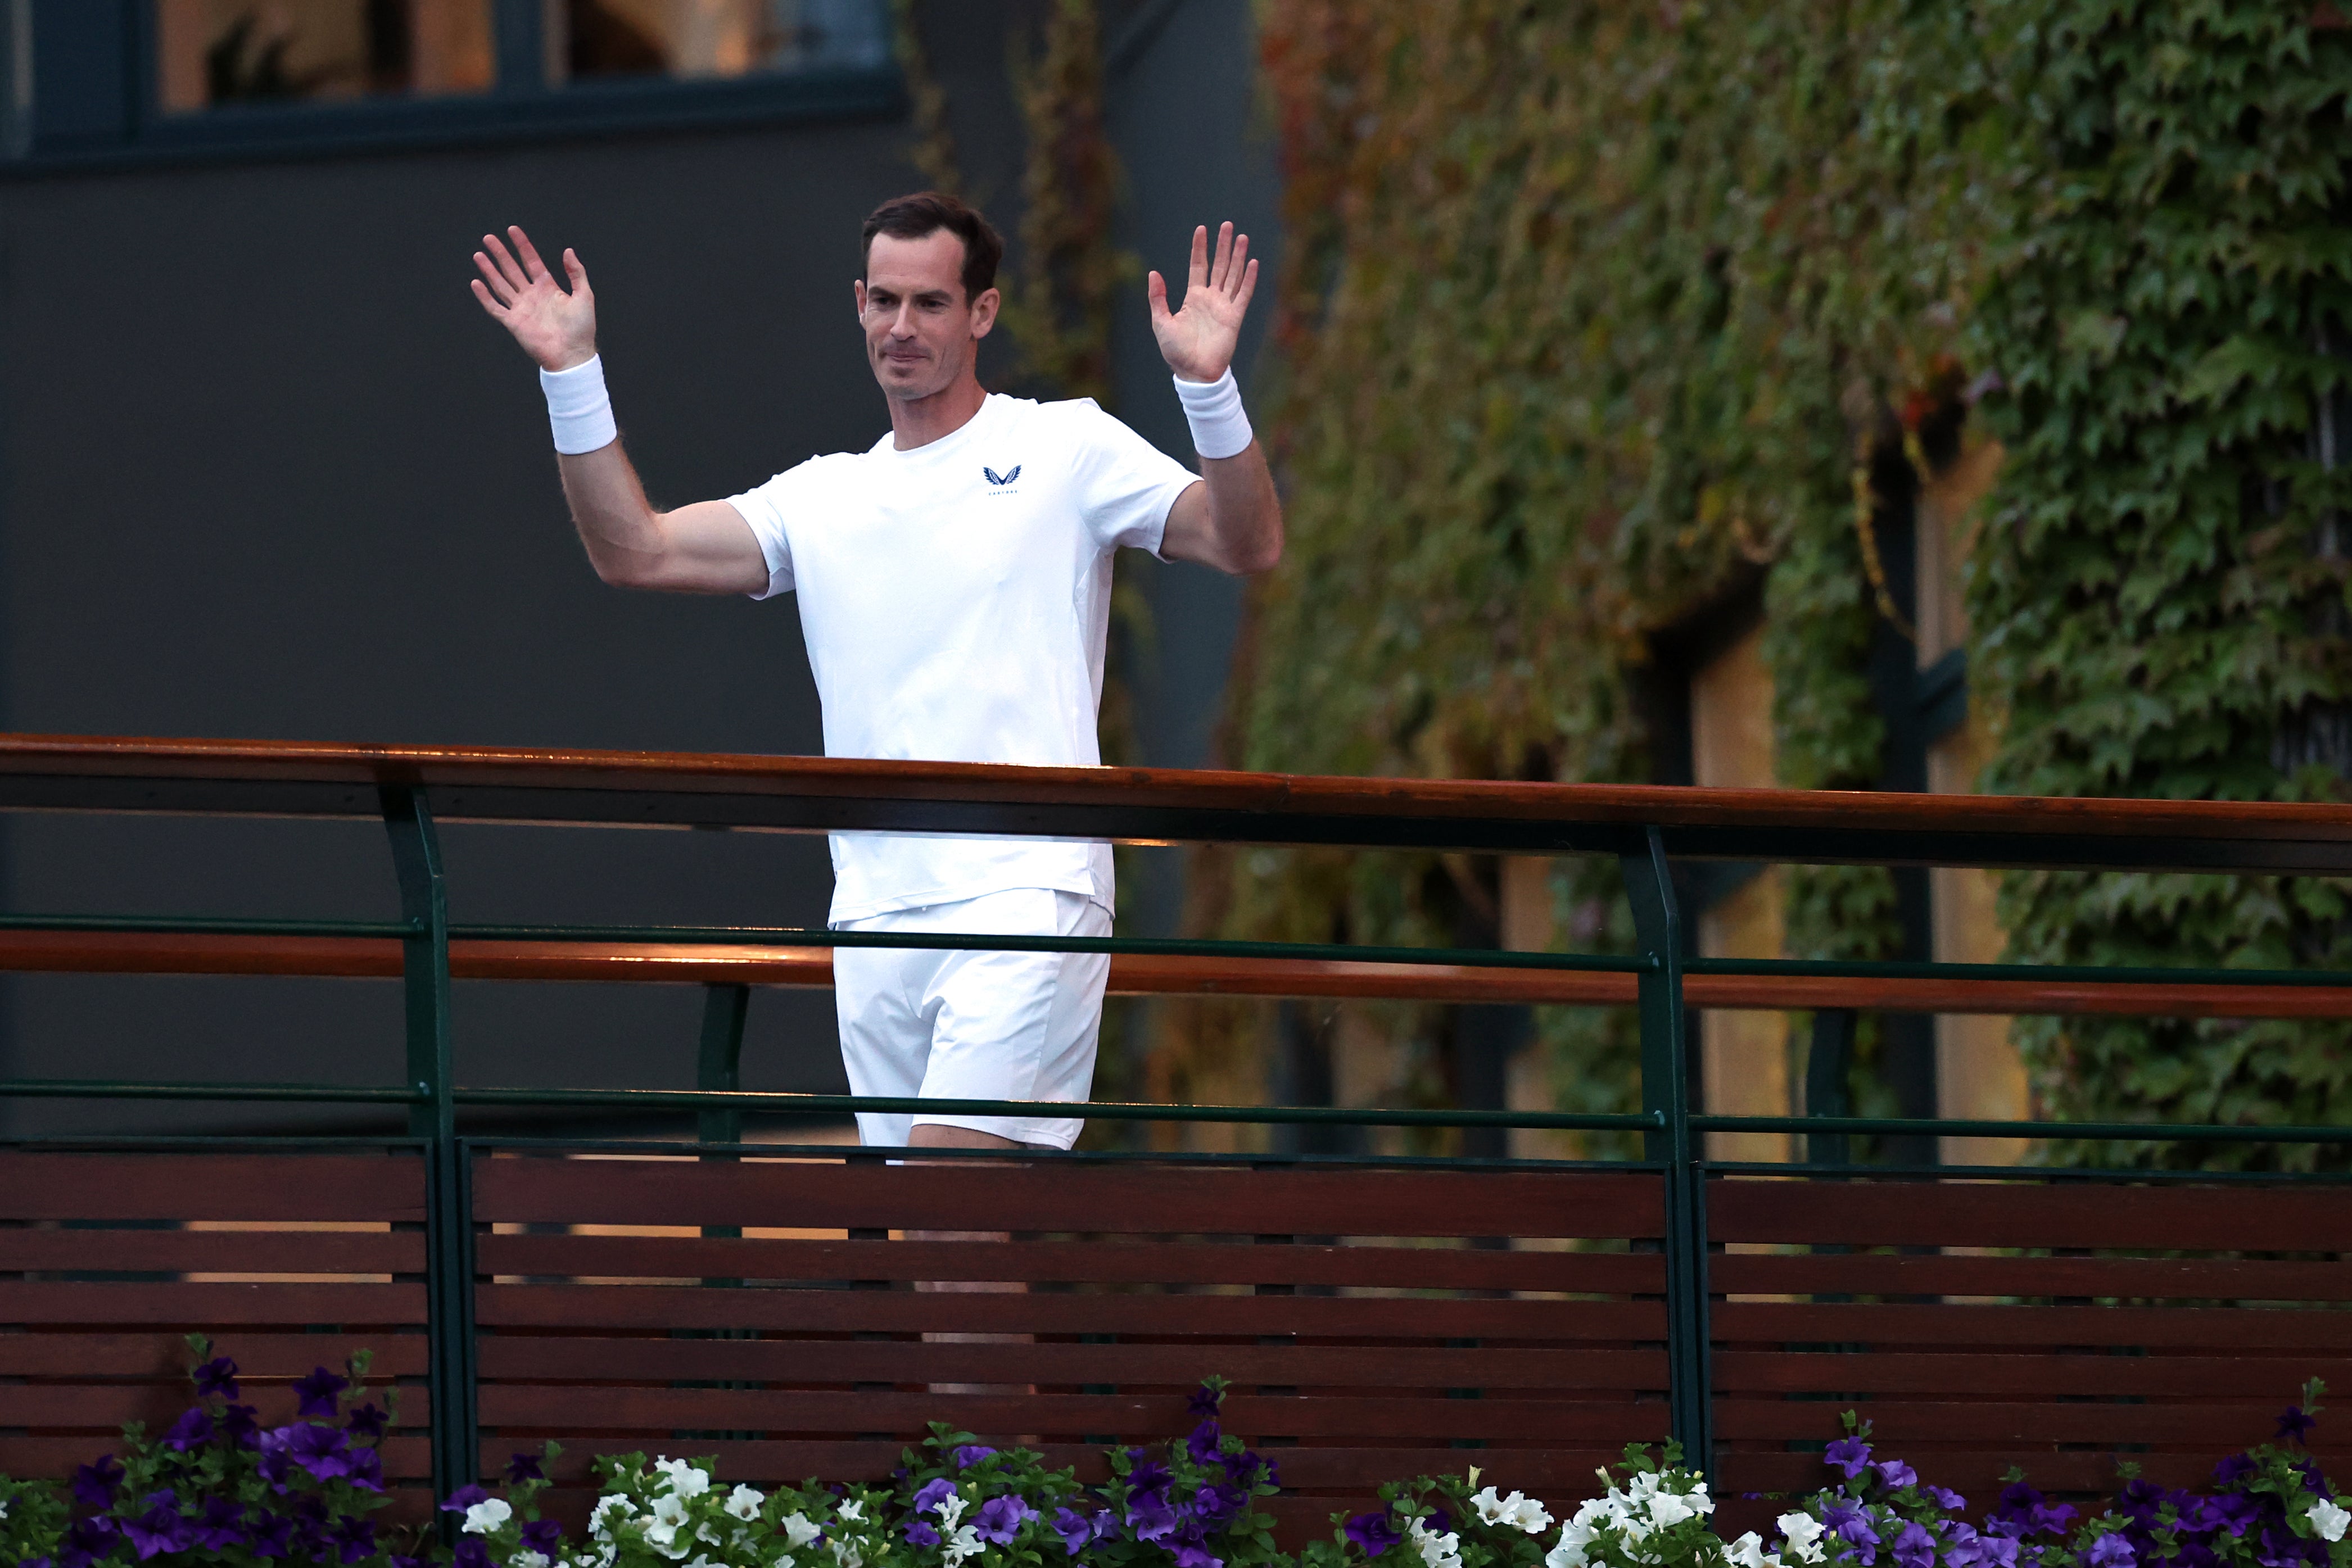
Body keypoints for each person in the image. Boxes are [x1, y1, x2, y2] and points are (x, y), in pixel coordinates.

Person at [469, 191, 1283, 1154]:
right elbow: (635, 552)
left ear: (982, 314)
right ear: (858, 303)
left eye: (931, 304)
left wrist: (1209, 389)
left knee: (945, 1206)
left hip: (1028, 893)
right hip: (874, 915)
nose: (902, 327)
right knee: (937, 1259)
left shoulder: (1065, 446)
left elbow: (1247, 539)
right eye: (884, 301)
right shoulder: (822, 497)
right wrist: (572, 374)